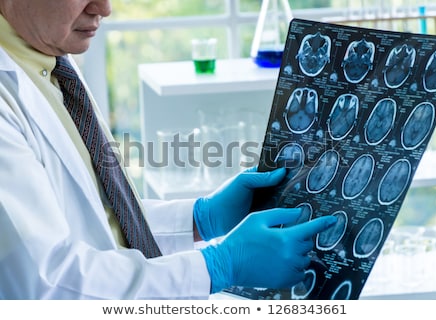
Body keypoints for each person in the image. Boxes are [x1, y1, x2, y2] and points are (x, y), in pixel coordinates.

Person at [0, 0, 336, 299]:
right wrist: (218, 265)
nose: (103, 8)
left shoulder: (50, 58)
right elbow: (45, 284)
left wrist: (199, 219)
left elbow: (92, 216)